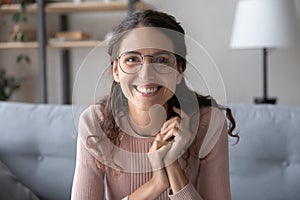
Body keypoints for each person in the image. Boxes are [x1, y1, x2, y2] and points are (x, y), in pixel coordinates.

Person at [71, 9, 239, 200]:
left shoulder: (208, 123)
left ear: (179, 70)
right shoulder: (95, 122)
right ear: (116, 70)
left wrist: (171, 165)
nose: (146, 75)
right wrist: (157, 184)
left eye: (161, 60)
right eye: (132, 59)